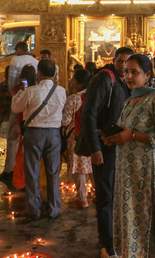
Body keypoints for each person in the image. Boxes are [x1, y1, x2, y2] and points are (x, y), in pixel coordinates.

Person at [102, 54, 155, 258]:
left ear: (147, 75)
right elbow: (125, 130)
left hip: (148, 173)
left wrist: (132, 135)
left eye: (134, 72)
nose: (128, 76)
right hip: (127, 172)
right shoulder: (130, 100)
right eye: (126, 72)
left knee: (146, 219)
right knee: (130, 217)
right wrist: (115, 137)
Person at [81, 47, 133, 258]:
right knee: (105, 196)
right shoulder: (105, 79)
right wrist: (94, 149)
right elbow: (89, 114)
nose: (123, 66)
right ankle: (107, 245)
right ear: (114, 60)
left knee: (117, 195)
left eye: (128, 64)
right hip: (104, 146)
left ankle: (112, 236)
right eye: (120, 62)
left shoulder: (124, 82)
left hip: (120, 147)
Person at [11, 59, 66, 220]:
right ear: (54, 73)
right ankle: (54, 208)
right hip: (54, 134)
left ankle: (34, 210)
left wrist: (21, 91)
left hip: (34, 134)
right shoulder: (61, 91)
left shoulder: (31, 91)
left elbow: (15, 108)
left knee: (32, 172)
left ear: (39, 73)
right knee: (53, 172)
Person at [0, 42, 39, 182]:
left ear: (20, 49)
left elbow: (11, 82)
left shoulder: (16, 60)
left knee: (13, 138)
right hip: (34, 104)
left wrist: (15, 96)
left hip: (19, 103)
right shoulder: (35, 61)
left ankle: (10, 170)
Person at [61, 68, 93, 208]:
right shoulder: (93, 96)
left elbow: (65, 121)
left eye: (73, 79)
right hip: (92, 135)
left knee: (78, 167)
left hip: (75, 137)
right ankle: (100, 194)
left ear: (79, 84)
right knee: (92, 166)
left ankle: (82, 198)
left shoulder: (73, 99)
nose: (71, 82)